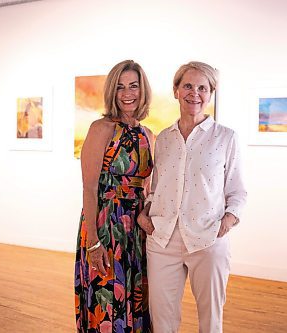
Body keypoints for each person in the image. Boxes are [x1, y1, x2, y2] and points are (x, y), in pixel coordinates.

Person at [137, 61, 247, 333]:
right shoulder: (163, 138)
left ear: (211, 94)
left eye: (203, 87)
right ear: (176, 90)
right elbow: (157, 187)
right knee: (162, 321)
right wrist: (146, 212)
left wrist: (229, 220)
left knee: (210, 321)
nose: (194, 93)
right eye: (187, 85)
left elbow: (237, 190)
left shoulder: (226, 138)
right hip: (163, 239)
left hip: (208, 238)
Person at [74, 60, 154, 332]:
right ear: (112, 91)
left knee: (136, 298)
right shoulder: (102, 128)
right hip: (106, 224)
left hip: (137, 229)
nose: (127, 93)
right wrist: (94, 242)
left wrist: (146, 213)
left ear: (143, 90)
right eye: (120, 87)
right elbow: (88, 187)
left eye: (133, 86)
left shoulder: (148, 134)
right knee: (107, 299)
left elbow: (149, 187)